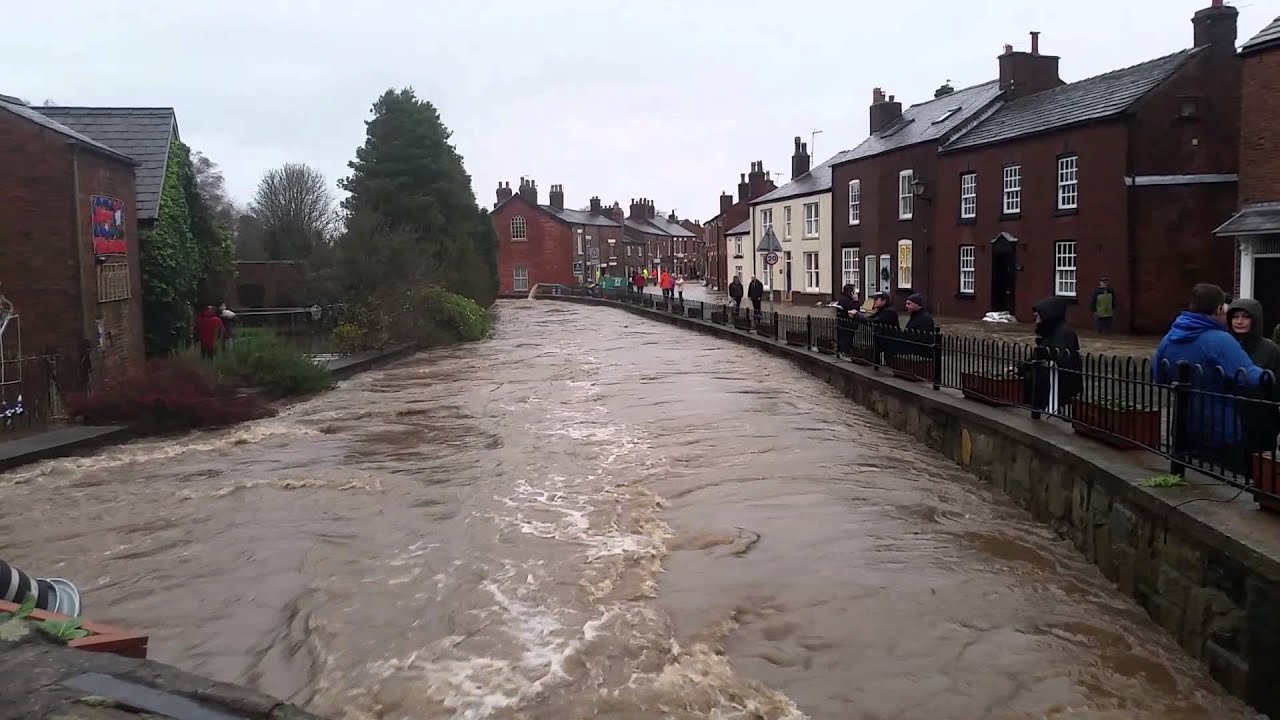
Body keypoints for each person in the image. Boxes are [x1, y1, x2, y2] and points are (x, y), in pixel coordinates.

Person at [1153, 283, 1265, 460]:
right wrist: (1266, 376)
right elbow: (1248, 376)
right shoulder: (1219, 340)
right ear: (1220, 308)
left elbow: (1158, 376)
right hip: (1218, 430)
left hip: (1182, 428)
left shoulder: (1169, 338)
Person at [1228, 298, 1280, 459]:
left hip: (1261, 420)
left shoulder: (1270, 350)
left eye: (1245, 317)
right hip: (1231, 416)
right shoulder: (1226, 344)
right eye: (1235, 317)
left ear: (1255, 320)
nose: (1239, 321)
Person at [1028, 296, 1082, 415]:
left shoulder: (1064, 333)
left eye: (1039, 312)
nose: (1035, 314)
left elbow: (1065, 360)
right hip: (1045, 387)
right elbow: (1037, 356)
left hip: (1057, 387)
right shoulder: (1047, 332)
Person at [835, 284, 860, 355]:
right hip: (848, 324)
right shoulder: (847, 301)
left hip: (843, 323)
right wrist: (856, 301)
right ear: (851, 292)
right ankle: (845, 352)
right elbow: (855, 309)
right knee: (847, 340)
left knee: (843, 339)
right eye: (854, 291)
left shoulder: (842, 299)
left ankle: (842, 351)